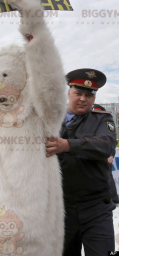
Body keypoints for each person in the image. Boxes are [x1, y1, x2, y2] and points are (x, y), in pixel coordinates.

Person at [45, 69, 117, 256]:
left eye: (88, 95)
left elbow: (106, 145)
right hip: (62, 208)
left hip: (96, 208)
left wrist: (67, 145)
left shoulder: (103, 119)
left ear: (94, 98)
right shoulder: (50, 121)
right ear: (69, 93)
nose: (83, 99)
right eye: (78, 93)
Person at [92, 104, 119, 205]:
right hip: (97, 157)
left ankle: (113, 199)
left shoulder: (107, 123)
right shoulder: (91, 125)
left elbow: (112, 142)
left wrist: (111, 155)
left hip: (106, 156)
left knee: (108, 179)